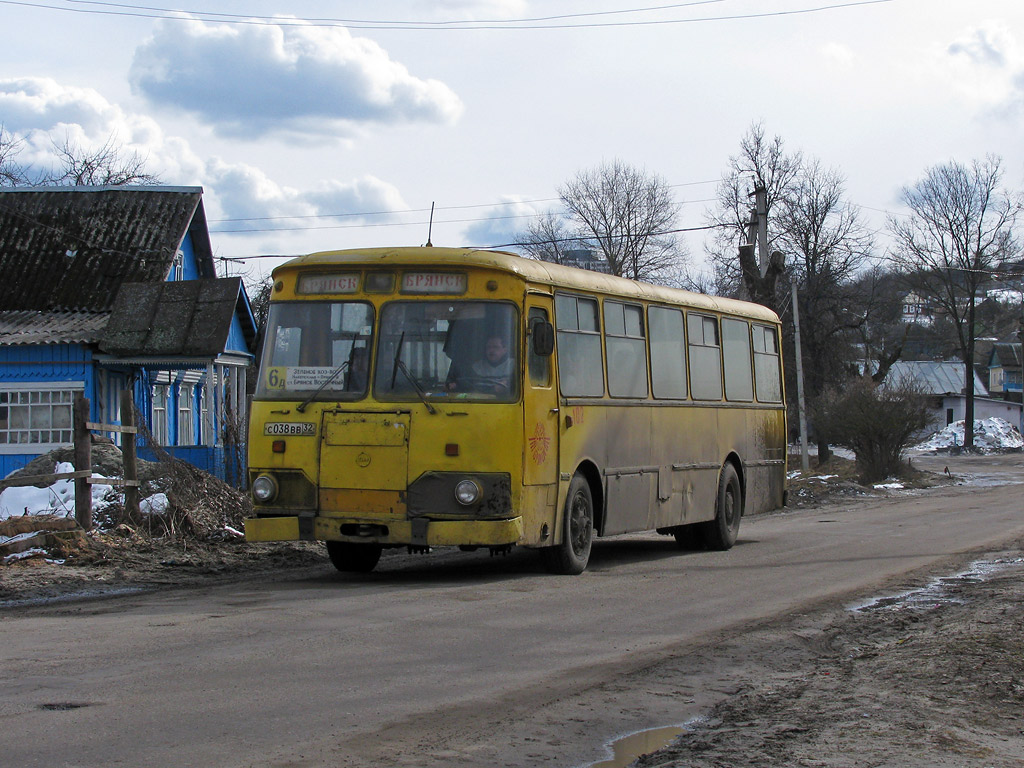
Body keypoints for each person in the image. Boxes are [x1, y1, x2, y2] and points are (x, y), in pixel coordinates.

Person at [448, 335, 514, 394]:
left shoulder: (514, 365)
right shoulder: (477, 367)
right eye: (488, 347)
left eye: (495, 347)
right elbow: (470, 386)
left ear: (505, 350)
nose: (491, 350)